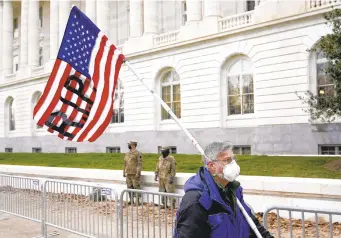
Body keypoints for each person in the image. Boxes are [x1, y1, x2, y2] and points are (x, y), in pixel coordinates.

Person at [174, 141, 274, 238]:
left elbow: (252, 226)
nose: (233, 164)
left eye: (233, 159)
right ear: (212, 166)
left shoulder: (233, 192)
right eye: (228, 160)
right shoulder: (196, 201)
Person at [123, 140, 143, 205]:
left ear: (133, 145)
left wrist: (138, 172)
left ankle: (137, 201)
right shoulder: (127, 153)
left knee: (136, 187)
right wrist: (124, 171)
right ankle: (131, 200)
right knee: (129, 187)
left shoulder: (138, 153)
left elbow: (139, 163)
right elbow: (125, 163)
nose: (128, 145)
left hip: (135, 173)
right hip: (128, 173)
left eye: (130, 144)